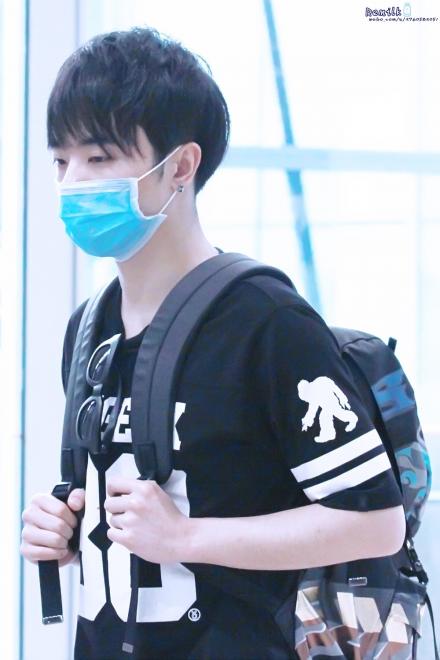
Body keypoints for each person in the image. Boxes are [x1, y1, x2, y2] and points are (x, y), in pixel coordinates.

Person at [20, 26, 405, 660]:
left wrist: (187, 538)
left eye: (100, 158)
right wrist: (67, 527)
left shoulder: (266, 321)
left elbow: (376, 522)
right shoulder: (89, 328)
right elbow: (141, 505)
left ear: (180, 166)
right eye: (61, 161)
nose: (73, 183)